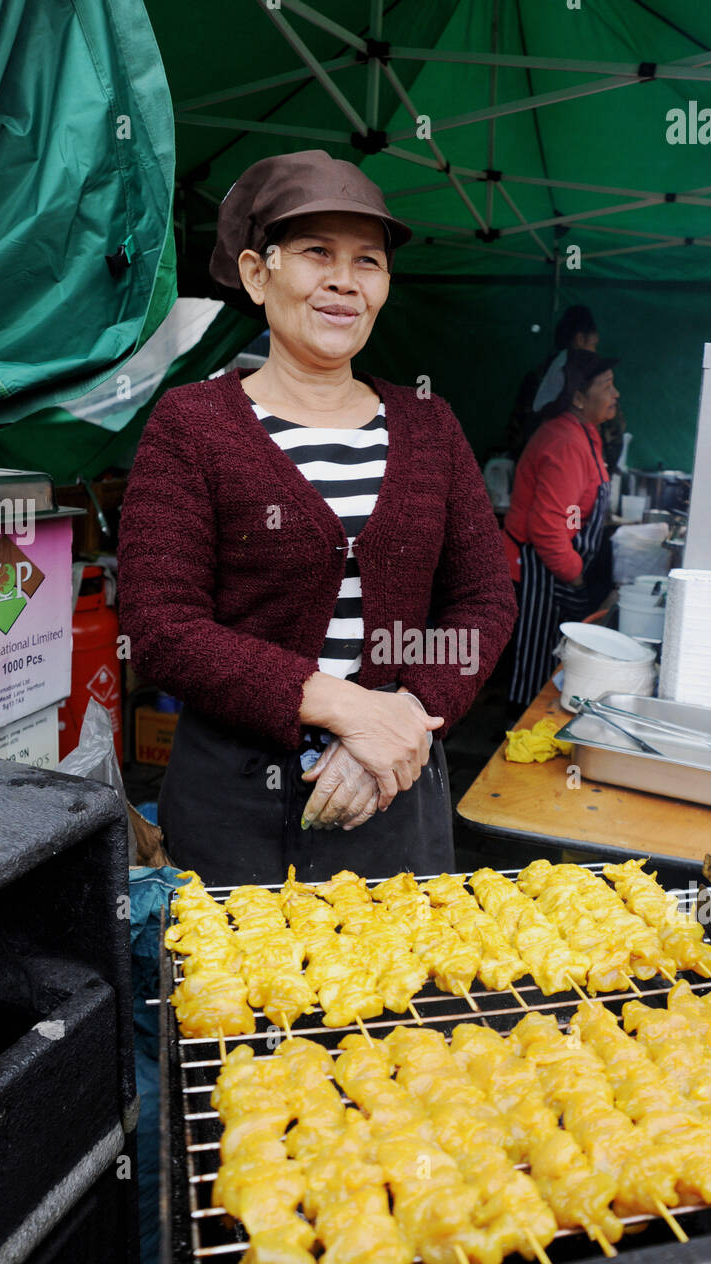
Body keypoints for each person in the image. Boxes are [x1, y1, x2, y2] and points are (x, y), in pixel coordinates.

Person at [117, 150, 516, 884]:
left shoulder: (430, 425)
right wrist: (340, 706)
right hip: (234, 810)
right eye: (315, 253)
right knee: (238, 996)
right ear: (257, 272)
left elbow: (485, 597)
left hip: (397, 793)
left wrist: (405, 716)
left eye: (368, 260)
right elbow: (161, 625)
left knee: (404, 993)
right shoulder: (192, 425)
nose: (344, 280)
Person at [503, 349, 619, 710]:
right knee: (536, 668)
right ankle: (519, 732)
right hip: (537, 569)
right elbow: (547, 530)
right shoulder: (565, 441)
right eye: (608, 386)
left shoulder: (585, 433)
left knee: (549, 665)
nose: (616, 394)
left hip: (553, 569)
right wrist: (576, 578)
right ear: (579, 398)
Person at [505, 305, 598, 460]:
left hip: (531, 462)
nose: (595, 352)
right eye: (594, 345)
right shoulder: (584, 381)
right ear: (580, 339)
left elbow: (514, 435)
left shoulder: (536, 375)